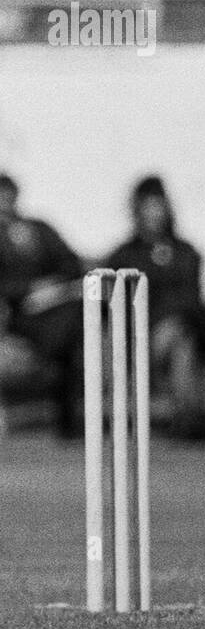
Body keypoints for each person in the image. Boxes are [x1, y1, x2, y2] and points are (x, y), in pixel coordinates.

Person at [107, 176, 205, 436]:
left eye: (158, 207)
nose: (154, 215)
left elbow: (193, 299)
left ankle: (187, 415)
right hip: (134, 338)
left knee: (180, 335)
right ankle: (188, 414)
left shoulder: (185, 252)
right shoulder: (124, 255)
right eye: (148, 208)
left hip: (181, 330)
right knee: (178, 336)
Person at [0, 173, 84, 435]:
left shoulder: (40, 229)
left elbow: (71, 264)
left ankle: (69, 409)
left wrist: (51, 286)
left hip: (55, 308)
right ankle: (67, 410)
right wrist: (28, 289)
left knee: (73, 321)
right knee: (69, 332)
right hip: (17, 313)